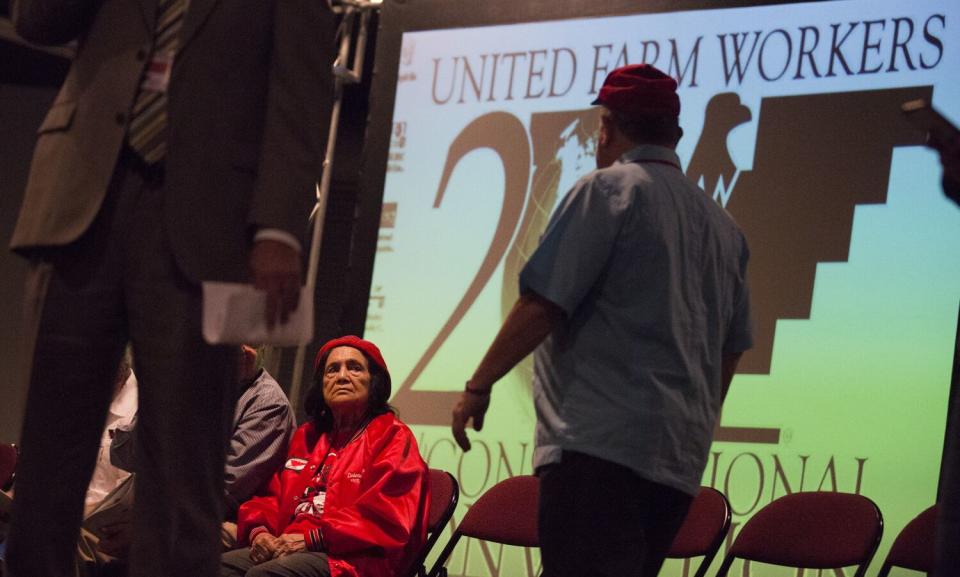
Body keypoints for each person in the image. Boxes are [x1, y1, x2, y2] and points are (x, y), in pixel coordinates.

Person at [4, 0, 333, 576]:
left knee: (183, 462)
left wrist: (279, 229)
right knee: (48, 453)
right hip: (83, 197)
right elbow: (37, 21)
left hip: (206, 222)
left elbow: (300, 98)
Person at [451, 64, 753, 577]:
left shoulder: (608, 191)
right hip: (677, 462)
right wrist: (693, 420)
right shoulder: (725, 227)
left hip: (598, 451)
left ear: (607, 126)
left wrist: (478, 385)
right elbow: (730, 350)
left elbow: (544, 303)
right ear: (674, 133)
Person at [222, 336, 429, 577]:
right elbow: (271, 497)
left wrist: (312, 539)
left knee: (266, 575)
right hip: (289, 547)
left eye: (354, 368)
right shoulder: (307, 436)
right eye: (332, 370)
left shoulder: (392, 436)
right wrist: (260, 532)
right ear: (321, 384)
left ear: (374, 381)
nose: (342, 376)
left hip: (354, 560)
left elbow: (387, 518)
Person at [100, 344, 297, 560]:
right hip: (163, 506)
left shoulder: (268, 403)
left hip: (228, 521)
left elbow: (221, 491)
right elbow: (123, 454)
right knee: (75, 535)